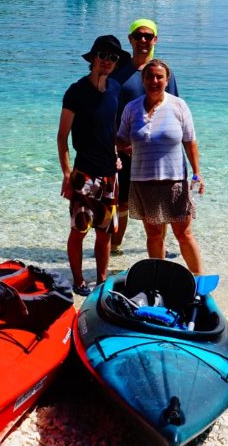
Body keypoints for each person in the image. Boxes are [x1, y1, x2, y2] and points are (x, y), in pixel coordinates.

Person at [116, 58, 204, 274]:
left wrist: (197, 173)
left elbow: (190, 141)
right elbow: (121, 138)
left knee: (184, 235)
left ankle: (199, 279)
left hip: (174, 180)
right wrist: (113, 146)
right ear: (143, 80)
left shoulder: (178, 105)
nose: (154, 81)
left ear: (167, 80)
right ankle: (161, 279)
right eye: (149, 77)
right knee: (154, 235)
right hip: (143, 182)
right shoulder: (132, 108)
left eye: (159, 77)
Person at [56, 34, 127, 296]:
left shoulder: (116, 89)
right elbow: (62, 136)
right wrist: (66, 173)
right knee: (79, 230)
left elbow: (111, 128)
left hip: (110, 175)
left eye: (113, 58)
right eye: (103, 55)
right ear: (93, 58)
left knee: (104, 232)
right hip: (83, 174)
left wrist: (116, 152)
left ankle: (101, 280)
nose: (107, 61)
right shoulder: (76, 91)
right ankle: (78, 281)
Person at [110, 18, 178, 253]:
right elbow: (109, 112)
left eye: (148, 36)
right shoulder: (118, 73)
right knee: (122, 204)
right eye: (138, 36)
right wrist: (114, 146)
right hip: (124, 151)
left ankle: (160, 247)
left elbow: (174, 111)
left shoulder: (162, 73)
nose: (142, 40)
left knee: (159, 204)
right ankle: (115, 248)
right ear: (130, 39)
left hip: (156, 153)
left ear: (155, 39)